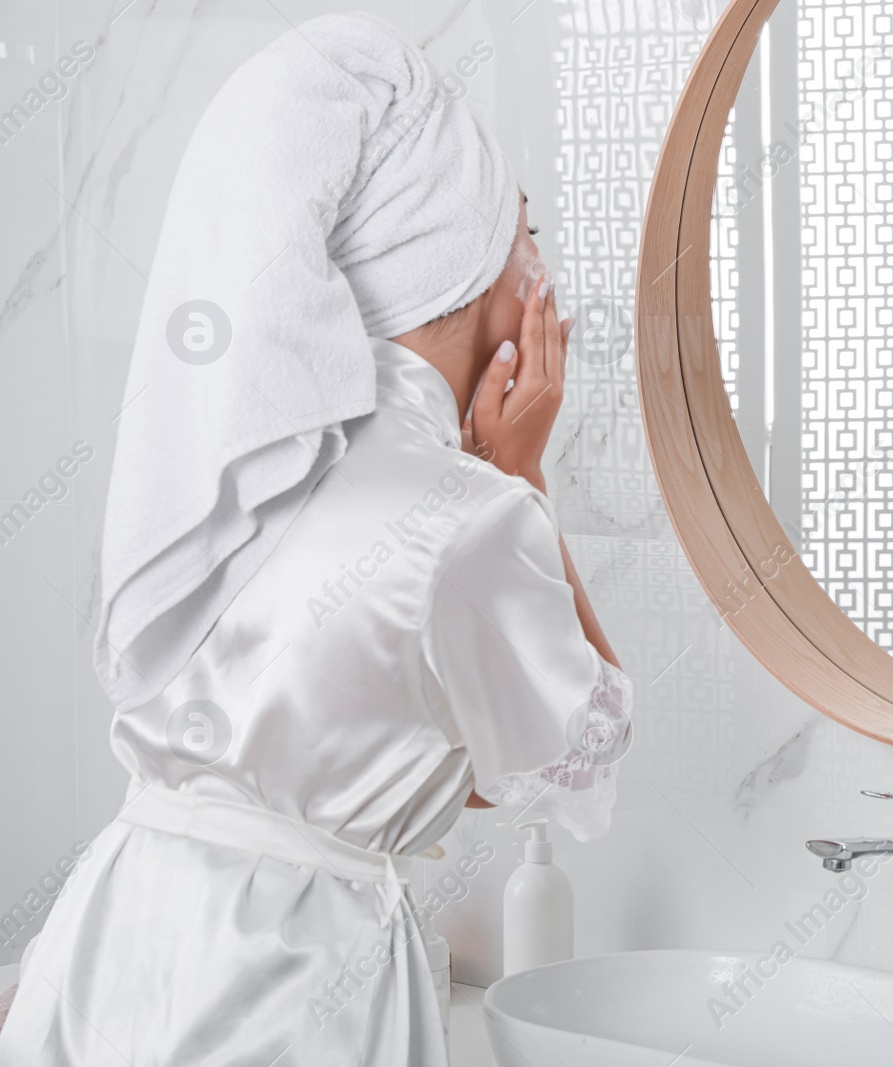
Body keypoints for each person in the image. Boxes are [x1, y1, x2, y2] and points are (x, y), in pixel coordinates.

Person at [0, 13, 627, 1065]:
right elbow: (579, 761)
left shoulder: (221, 476)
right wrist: (523, 475)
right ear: (459, 250)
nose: (540, 268)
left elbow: (450, 748)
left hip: (111, 940)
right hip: (290, 981)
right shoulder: (470, 516)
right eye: (525, 230)